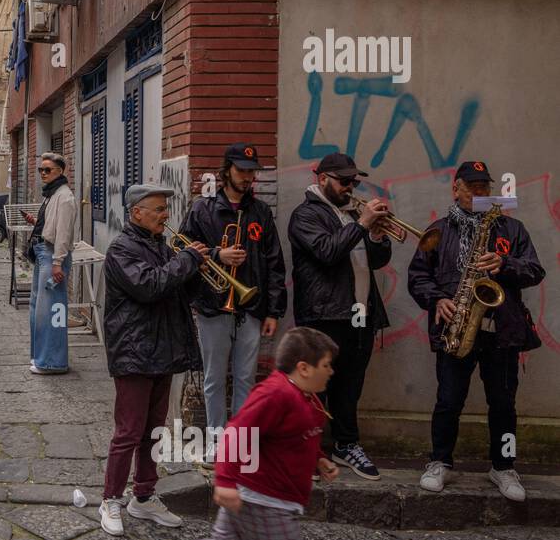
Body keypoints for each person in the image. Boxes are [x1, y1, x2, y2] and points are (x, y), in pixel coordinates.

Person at [126, 328, 341, 540]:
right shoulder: (276, 394)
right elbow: (237, 434)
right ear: (304, 368)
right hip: (264, 500)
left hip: (257, 496)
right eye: (326, 365)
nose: (331, 371)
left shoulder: (304, 396)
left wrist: (319, 460)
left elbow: (295, 437)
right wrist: (224, 482)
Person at [407, 161, 546, 501]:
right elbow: (417, 275)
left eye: (484, 186)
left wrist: (505, 264)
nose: (480, 192)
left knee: (503, 403)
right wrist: (436, 299)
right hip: (457, 327)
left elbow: (535, 270)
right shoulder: (438, 230)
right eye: (472, 186)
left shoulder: (512, 229)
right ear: (456, 189)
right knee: (448, 401)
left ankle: (504, 465)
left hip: (502, 331)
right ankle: (439, 461)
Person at [99, 183, 207, 534]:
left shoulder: (164, 247)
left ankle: (143, 497)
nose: (166, 215)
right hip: (134, 350)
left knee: (154, 431)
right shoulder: (121, 250)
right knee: (128, 431)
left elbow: (175, 289)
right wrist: (187, 261)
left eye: (165, 208)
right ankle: (110, 499)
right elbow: (149, 286)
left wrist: (199, 268)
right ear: (136, 214)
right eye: (159, 209)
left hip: (163, 349)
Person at [287, 152, 392, 480]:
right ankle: (310, 452)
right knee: (315, 389)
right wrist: (363, 224)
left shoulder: (352, 214)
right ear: (322, 179)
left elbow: (376, 261)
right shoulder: (305, 215)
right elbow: (327, 252)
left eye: (354, 182)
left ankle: (346, 445)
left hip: (360, 313)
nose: (351, 187)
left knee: (349, 386)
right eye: (344, 181)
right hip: (323, 316)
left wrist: (376, 235)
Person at [180, 144, 287, 464]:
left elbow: (274, 263)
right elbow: (184, 250)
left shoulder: (261, 212)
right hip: (213, 305)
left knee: (245, 377)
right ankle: (216, 439)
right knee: (214, 377)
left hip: (251, 307)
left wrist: (273, 310)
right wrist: (217, 255)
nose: (248, 178)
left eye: (252, 172)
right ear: (227, 170)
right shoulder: (203, 209)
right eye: (242, 171)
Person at [24, 152, 76, 374]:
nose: (43, 174)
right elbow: (54, 225)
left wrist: (58, 263)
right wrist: (37, 222)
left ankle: (53, 362)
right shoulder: (52, 195)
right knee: (38, 308)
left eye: (48, 170)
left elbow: (63, 234)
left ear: (61, 171)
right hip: (43, 252)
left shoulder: (65, 197)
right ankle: (42, 357)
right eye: (41, 170)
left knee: (52, 310)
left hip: (52, 255)